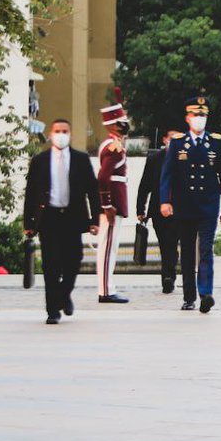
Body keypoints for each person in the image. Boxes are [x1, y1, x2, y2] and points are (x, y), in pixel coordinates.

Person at [23, 119, 99, 324]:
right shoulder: (39, 161)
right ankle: (52, 310)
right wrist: (28, 224)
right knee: (51, 265)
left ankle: (64, 295)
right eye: (57, 131)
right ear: (50, 134)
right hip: (49, 218)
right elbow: (31, 193)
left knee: (74, 261)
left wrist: (94, 220)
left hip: (73, 217)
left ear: (70, 134)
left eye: (65, 131)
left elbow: (93, 191)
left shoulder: (81, 159)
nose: (61, 135)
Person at [159, 96, 221, 313]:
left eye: (203, 115)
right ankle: (189, 296)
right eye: (196, 114)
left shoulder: (216, 142)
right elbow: (167, 174)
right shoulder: (178, 142)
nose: (199, 118)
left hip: (208, 203)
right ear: (187, 118)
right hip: (184, 204)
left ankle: (206, 293)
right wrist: (165, 201)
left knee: (206, 249)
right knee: (188, 251)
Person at [93, 89, 131, 304]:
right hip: (113, 204)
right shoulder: (114, 148)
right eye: (122, 122)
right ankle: (106, 290)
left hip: (113, 202)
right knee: (108, 249)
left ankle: (107, 287)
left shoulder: (111, 144)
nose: (125, 125)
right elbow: (103, 177)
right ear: (114, 125)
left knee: (109, 248)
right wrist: (107, 205)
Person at [137, 129, 183, 293]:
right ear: (164, 139)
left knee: (172, 242)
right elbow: (144, 185)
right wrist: (140, 209)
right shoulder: (154, 159)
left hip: (178, 209)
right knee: (164, 244)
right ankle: (168, 275)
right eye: (172, 137)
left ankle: (168, 277)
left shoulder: (184, 158)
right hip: (157, 209)